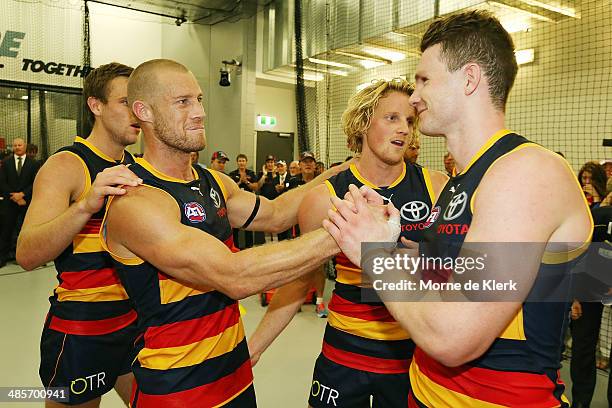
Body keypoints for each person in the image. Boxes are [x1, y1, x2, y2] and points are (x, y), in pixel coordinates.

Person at [322, 10, 592, 407]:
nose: (414, 98)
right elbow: (452, 269)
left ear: (469, 79)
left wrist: (373, 254)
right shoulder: (463, 181)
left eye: (424, 80)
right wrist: (387, 237)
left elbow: (453, 337)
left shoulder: (526, 172)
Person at [100, 58, 347, 407]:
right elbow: (232, 276)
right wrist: (346, 231)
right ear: (145, 111)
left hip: (236, 373)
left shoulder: (213, 181)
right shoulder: (136, 202)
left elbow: (275, 215)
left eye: (199, 99)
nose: (200, 111)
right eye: (183, 102)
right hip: (178, 387)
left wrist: (341, 172)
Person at [249, 79, 448, 407]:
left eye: (409, 121)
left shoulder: (436, 187)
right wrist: (253, 348)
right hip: (344, 354)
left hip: (411, 355)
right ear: (363, 120)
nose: (404, 130)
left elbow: (454, 272)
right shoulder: (323, 199)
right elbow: (302, 282)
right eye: (391, 118)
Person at [16, 62, 142, 407]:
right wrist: (85, 206)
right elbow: (27, 253)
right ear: (96, 105)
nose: (137, 112)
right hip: (83, 329)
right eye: (125, 102)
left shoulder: (136, 166)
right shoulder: (67, 165)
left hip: (135, 321)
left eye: (140, 103)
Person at [0, 137, 40, 267]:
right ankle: (3, 257)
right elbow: (2, 182)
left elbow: (35, 182)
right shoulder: (6, 163)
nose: (17, 147)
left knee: (24, 230)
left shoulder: (33, 164)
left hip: (26, 203)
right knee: (6, 230)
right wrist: (15, 196)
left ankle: (26, 257)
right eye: (15, 145)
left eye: (20, 145)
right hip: (10, 203)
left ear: (25, 146)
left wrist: (23, 195)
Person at [228, 153, 259, 248]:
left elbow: (256, 187)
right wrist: (240, 181)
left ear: (246, 162)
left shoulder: (251, 173)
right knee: (236, 227)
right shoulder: (232, 174)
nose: (241, 163)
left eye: (243, 161)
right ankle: (236, 247)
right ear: (237, 162)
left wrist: (246, 181)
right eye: (240, 161)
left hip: (249, 204)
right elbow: (229, 189)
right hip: (236, 204)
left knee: (249, 226)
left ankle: (249, 247)